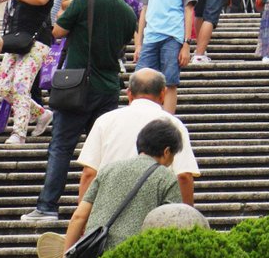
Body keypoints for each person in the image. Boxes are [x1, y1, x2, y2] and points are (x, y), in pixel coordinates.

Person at [24, 0, 138, 228]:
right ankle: (106, 207)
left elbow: (58, 31)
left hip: (76, 88)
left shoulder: (83, 1)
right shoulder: (127, 12)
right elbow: (122, 43)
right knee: (105, 152)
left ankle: (47, 206)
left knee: (62, 147)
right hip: (109, 88)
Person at [55, 116, 184, 258]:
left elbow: (79, 216)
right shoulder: (166, 178)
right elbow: (174, 226)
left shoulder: (108, 170)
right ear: (167, 151)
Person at [73, 68, 198, 206]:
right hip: (156, 210)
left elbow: (89, 173)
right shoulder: (173, 124)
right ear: (163, 93)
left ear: (129, 94)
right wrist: (187, 218)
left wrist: (83, 219)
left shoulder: (105, 121)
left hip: (109, 210)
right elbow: (184, 176)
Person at [0, 0, 58, 146]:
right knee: (4, 87)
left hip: (38, 40)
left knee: (21, 85)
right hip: (17, 40)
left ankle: (19, 133)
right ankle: (41, 113)